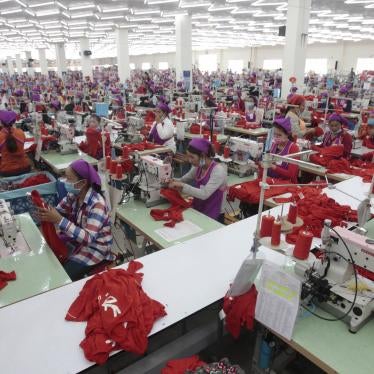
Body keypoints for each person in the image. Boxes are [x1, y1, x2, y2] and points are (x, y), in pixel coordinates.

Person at [36, 159, 114, 281]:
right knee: (49, 257)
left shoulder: (97, 204)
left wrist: (59, 220)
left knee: (62, 277)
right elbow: (58, 210)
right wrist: (46, 211)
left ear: (82, 183)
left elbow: (88, 238)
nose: (65, 182)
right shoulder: (74, 195)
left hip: (95, 249)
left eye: (69, 178)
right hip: (78, 241)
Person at [168, 138, 227, 223]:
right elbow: (183, 180)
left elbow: (204, 194)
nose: (189, 160)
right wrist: (172, 180)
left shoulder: (218, 171)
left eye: (192, 157)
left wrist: (183, 186)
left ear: (203, 156)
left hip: (214, 215)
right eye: (188, 156)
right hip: (199, 210)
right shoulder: (198, 166)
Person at [266, 117, 300, 184]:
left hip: (286, 184)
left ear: (287, 134)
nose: (276, 137)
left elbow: (291, 174)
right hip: (272, 181)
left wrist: (273, 167)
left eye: (279, 135)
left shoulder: (293, 148)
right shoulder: (274, 145)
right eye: (274, 134)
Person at [0, 110, 31, 177]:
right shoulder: (20, 132)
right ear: (14, 121)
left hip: (7, 171)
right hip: (25, 168)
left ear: (1, 123)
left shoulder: (0, 136)